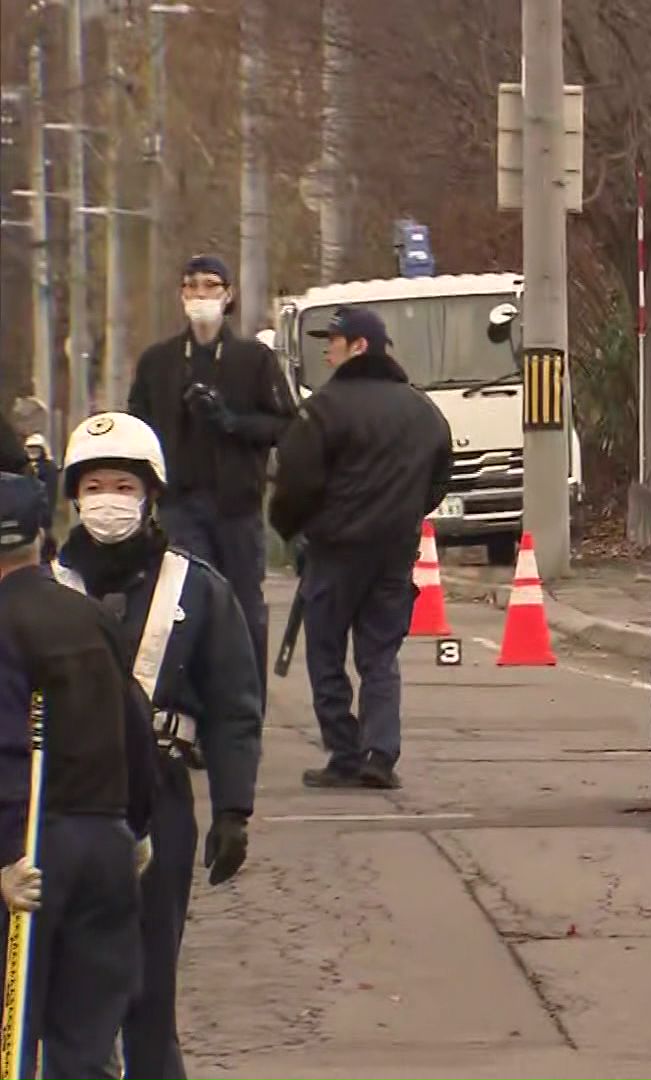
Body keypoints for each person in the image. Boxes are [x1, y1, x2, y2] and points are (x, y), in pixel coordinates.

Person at [52, 411, 261, 1080]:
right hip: (57, 806)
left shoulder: (197, 587)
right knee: (57, 986)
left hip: (159, 801)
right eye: (92, 486)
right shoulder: (40, 590)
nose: (107, 500)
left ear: (150, 495)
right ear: (73, 497)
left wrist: (234, 809)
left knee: (148, 988)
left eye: (122, 485)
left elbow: (234, 705)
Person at [0, 467, 157, 1080]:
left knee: (11, 1040)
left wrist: (5, 855)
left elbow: (8, 750)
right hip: (104, 839)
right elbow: (134, 726)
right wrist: (135, 826)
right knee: (87, 1045)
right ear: (44, 535)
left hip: (30, 850)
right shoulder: (89, 616)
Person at [270, 306, 451, 790]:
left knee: (325, 652)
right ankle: (380, 751)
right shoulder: (422, 410)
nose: (327, 348)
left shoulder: (323, 409)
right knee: (379, 653)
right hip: (394, 552)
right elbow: (439, 479)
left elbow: (295, 482)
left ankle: (344, 752)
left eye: (335, 339)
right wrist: (407, 515)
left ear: (359, 347)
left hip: (335, 551)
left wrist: (292, 530)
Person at [128, 253, 295, 700]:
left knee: (243, 607)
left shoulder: (253, 360)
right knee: (185, 605)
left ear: (228, 295)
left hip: (237, 506)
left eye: (210, 286)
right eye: (191, 287)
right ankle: (190, 707)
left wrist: (231, 421)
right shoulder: (159, 362)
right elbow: (136, 430)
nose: (200, 296)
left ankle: (244, 705)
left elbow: (284, 425)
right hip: (181, 505)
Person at [22, 434, 58, 565]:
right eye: (30, 450)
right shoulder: (24, 467)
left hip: (43, 510)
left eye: (36, 450)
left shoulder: (49, 467)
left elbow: (51, 491)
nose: (33, 453)